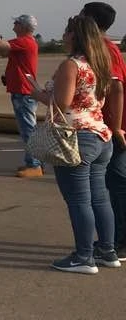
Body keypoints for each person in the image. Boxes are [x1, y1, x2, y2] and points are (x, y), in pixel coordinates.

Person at [31, 15, 117, 273]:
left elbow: (63, 103)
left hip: (75, 138)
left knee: (79, 201)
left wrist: (38, 95)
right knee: (100, 198)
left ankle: (83, 257)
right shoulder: (100, 63)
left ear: (75, 36)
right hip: (100, 135)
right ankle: (107, 250)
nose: (63, 36)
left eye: (67, 31)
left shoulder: (72, 65)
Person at [79, 1, 126, 259]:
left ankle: (119, 242)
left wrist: (116, 128)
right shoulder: (102, 48)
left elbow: (116, 87)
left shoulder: (104, 50)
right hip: (110, 125)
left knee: (117, 183)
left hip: (115, 126)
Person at [0, 14, 42, 177]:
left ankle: (35, 165)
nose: (13, 25)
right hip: (22, 90)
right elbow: (3, 51)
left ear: (23, 26)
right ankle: (32, 162)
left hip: (23, 91)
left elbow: (0, 45)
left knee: (28, 130)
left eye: (16, 23)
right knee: (27, 129)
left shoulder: (24, 41)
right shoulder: (23, 43)